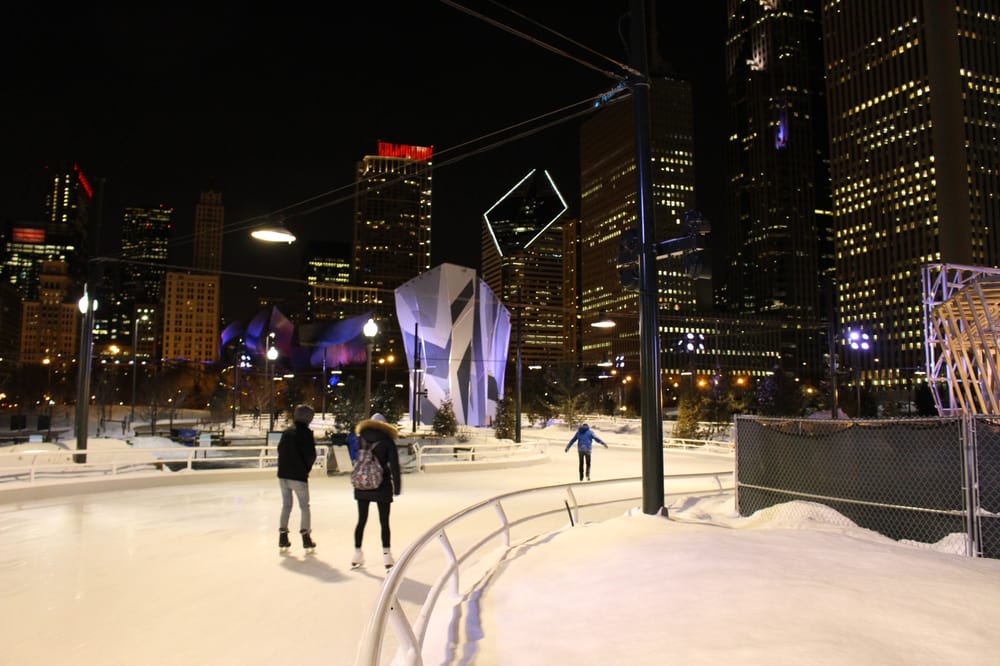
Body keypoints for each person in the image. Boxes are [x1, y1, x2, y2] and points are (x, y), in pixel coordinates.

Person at [351, 412, 401, 570]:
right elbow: (394, 465)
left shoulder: (359, 439)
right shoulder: (387, 441)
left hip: (362, 483)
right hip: (382, 484)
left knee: (361, 520)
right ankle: (387, 556)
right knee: (384, 521)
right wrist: (397, 486)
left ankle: (357, 553)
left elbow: (355, 457)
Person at [277, 404, 317, 551]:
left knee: (286, 505)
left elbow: (280, 450)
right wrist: (305, 469)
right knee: (304, 507)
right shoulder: (305, 434)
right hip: (298, 476)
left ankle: (283, 536)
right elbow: (310, 455)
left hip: (283, 475)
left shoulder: (287, 432)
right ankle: (306, 536)